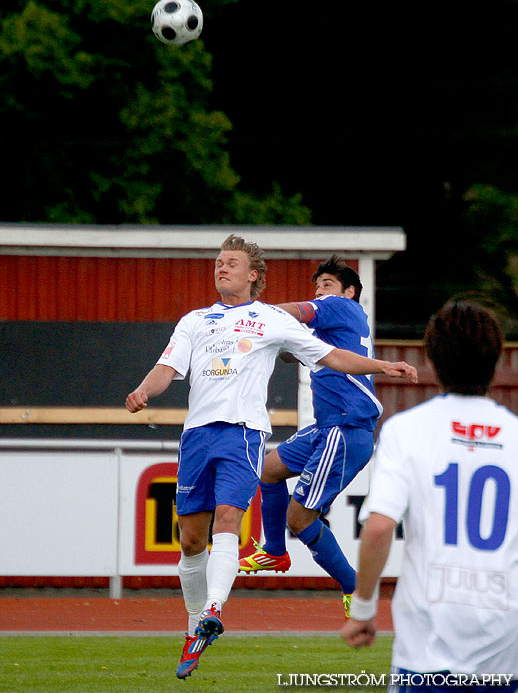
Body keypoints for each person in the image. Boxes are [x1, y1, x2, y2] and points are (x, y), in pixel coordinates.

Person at [125, 234, 418, 680]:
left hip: (275, 431)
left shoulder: (294, 315)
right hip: (208, 435)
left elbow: (327, 350)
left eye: (231, 262)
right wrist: (146, 388)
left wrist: (382, 366)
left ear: (253, 275)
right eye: (218, 262)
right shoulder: (195, 321)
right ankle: (207, 617)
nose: (221, 267)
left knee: (249, 520)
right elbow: (169, 367)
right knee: (196, 536)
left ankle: (227, 606)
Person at [341, 301, 518, 690]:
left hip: (426, 641)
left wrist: (364, 609)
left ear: (433, 360)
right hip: (505, 641)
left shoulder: (406, 430)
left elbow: (378, 527)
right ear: (495, 359)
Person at [239, 256, 381, 619]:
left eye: (328, 284)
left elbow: (296, 312)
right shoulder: (333, 330)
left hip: (345, 428)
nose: (320, 292)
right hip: (328, 426)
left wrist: (253, 314)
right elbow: (292, 352)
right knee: (269, 470)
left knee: (299, 519)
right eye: (318, 286)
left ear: (349, 291)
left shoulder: (340, 307)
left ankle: (354, 587)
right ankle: (274, 550)